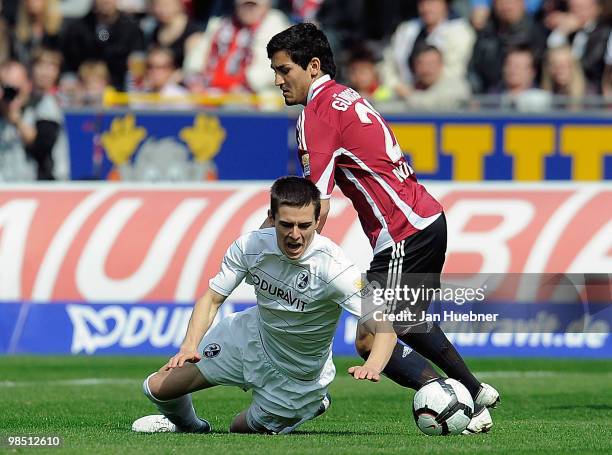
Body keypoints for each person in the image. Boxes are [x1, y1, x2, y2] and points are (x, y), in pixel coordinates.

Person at [266, 23, 500, 434]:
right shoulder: (346, 97)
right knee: (407, 322)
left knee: (372, 338)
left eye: (285, 69)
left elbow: (315, 203)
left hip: (402, 231)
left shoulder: (315, 115)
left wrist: (284, 252)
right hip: (426, 218)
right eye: (275, 70)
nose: (278, 80)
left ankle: (456, 402)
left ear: (313, 66)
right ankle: (474, 392)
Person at [132, 176, 396, 435]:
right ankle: (191, 427)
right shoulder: (250, 246)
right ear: (271, 217)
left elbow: (384, 325)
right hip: (249, 338)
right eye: (286, 225)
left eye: (304, 225)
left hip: (297, 377)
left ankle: (312, 404)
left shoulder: (336, 269)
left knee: (239, 429)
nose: (295, 235)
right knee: (157, 388)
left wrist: (372, 365)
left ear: (318, 221)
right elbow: (212, 299)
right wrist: (189, 346)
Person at [402, 44, 471, 110]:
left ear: (441, 64)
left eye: (431, 64)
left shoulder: (456, 86)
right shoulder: (412, 84)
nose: (426, 69)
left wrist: (408, 95)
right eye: (421, 64)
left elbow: (434, 104)